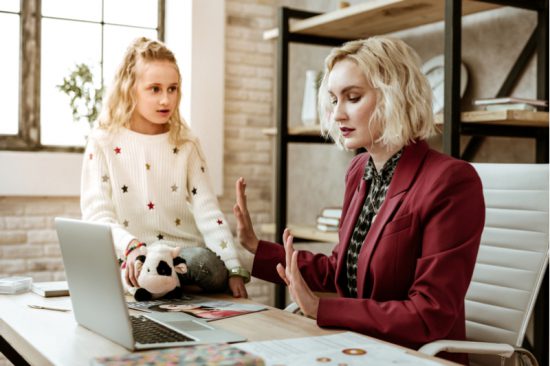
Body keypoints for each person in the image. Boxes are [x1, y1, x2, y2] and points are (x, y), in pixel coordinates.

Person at [233, 36, 484, 365]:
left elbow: (429, 314)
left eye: (352, 98)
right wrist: (253, 248)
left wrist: (321, 308)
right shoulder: (360, 170)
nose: (337, 114)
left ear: (395, 95)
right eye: (334, 100)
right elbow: (341, 271)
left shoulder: (450, 181)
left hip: (414, 357)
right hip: (356, 347)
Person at [81, 37, 250, 298]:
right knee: (110, 265)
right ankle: (153, 281)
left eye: (172, 89)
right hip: (132, 254)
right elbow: (97, 216)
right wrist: (132, 247)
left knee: (211, 267)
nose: (165, 100)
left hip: (182, 256)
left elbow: (207, 210)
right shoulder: (102, 141)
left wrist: (233, 267)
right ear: (130, 89)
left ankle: (154, 284)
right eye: (155, 89)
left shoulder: (187, 144)